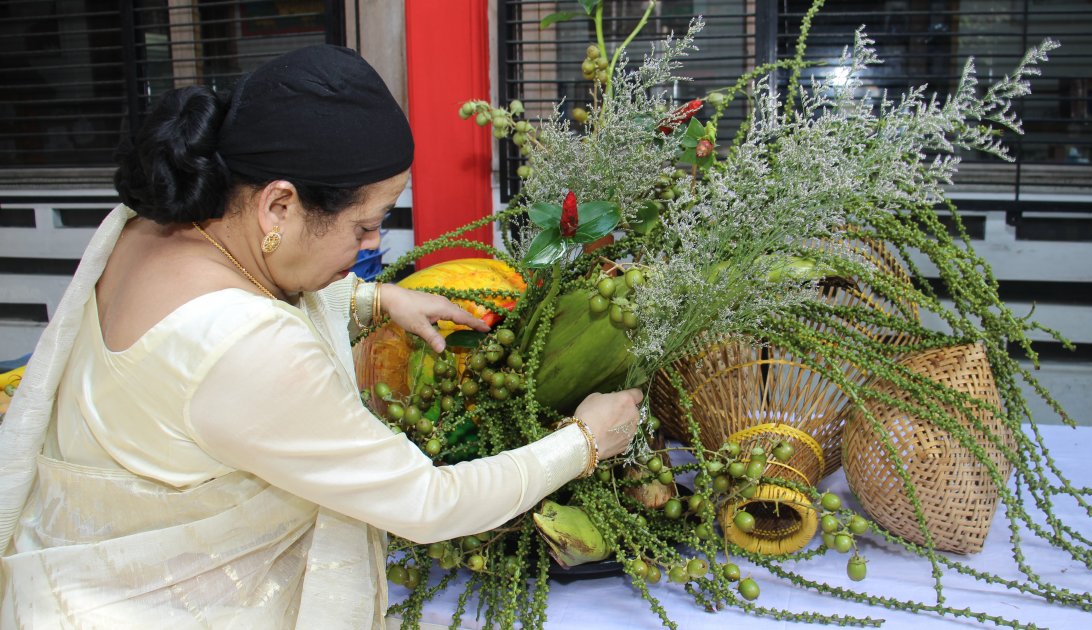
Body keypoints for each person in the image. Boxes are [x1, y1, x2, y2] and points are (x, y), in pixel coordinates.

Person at [0, 45, 642, 628]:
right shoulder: (249, 348)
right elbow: (427, 501)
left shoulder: (147, 222)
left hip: (65, 574)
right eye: (366, 225)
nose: (375, 245)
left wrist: (378, 297)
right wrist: (583, 442)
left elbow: (227, 295)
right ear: (278, 205)